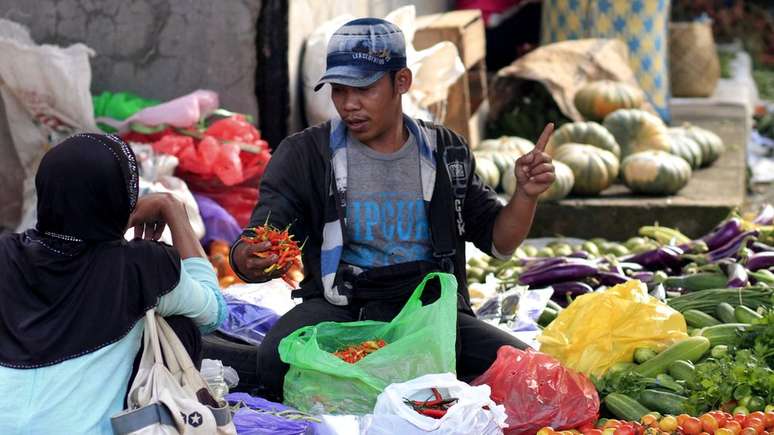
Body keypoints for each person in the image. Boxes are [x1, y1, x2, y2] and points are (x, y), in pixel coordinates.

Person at [230, 18, 556, 401]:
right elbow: (265, 230)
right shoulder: (305, 154)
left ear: (401, 81)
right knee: (275, 362)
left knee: (529, 373)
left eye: (364, 89)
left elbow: (499, 243)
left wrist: (525, 195)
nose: (349, 104)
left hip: (428, 311)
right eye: (339, 90)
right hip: (342, 309)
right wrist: (247, 257)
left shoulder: (445, 150)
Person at [0, 133, 227, 434]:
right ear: (122, 197)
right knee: (180, 324)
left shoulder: (6, 252)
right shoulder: (142, 265)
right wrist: (173, 210)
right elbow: (216, 312)